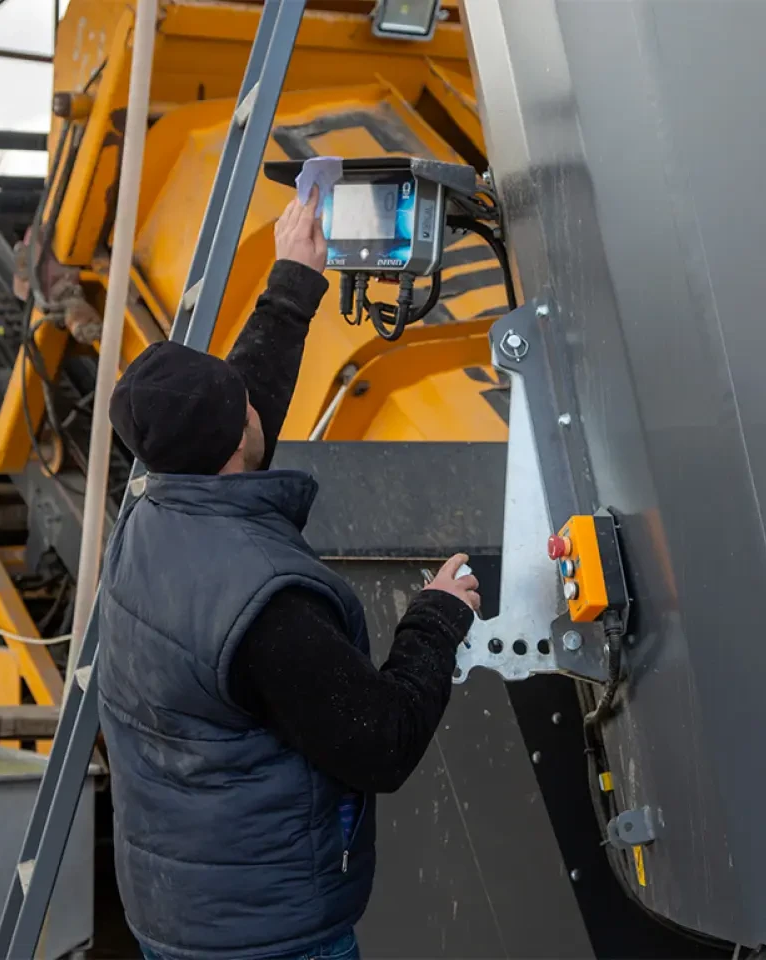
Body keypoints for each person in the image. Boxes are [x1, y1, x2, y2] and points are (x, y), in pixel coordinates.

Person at [96, 189, 481, 960]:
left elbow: (242, 397)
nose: (254, 409)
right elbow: (381, 740)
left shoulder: (147, 513)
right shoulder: (265, 602)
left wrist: (293, 282)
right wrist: (437, 616)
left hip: (181, 918)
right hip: (270, 941)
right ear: (239, 439)